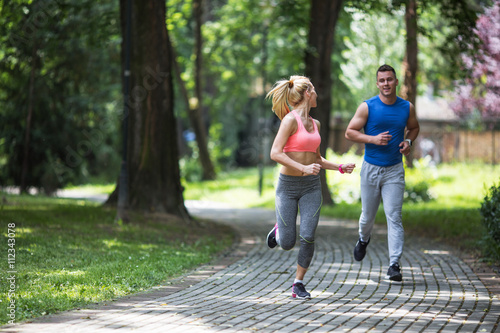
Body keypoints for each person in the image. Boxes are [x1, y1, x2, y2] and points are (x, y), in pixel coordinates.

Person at [265, 75, 356, 299]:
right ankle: (279, 231)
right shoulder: (290, 121)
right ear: (307, 93)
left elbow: (317, 158)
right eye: (314, 90)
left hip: (311, 187)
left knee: (308, 235)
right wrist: (302, 168)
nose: (316, 95)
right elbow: (275, 153)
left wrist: (340, 167)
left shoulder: (316, 124)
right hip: (287, 186)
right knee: (287, 243)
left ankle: (298, 283)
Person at [345, 64, 420, 282]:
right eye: (382, 80)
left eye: (389, 79)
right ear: (377, 83)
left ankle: (394, 265)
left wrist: (408, 141)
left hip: (394, 170)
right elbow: (350, 132)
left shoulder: (407, 107)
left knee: (394, 216)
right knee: (367, 216)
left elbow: (414, 128)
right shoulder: (367, 107)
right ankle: (362, 239)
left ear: (396, 82)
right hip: (371, 168)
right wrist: (372, 139)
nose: (386, 83)